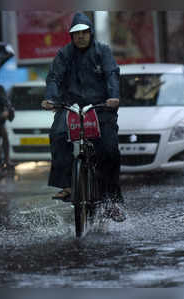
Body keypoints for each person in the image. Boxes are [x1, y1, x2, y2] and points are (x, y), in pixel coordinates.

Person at [41, 12, 126, 222]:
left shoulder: (103, 52)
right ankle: (67, 184)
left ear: (91, 33)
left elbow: (111, 75)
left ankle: (111, 200)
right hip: (70, 106)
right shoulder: (64, 54)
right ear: (71, 36)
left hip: (100, 108)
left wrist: (113, 97)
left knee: (109, 150)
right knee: (58, 135)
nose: (80, 37)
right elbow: (54, 77)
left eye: (84, 33)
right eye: (76, 33)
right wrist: (50, 98)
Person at [0, 85, 15, 170]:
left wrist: (8, 111)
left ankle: (6, 160)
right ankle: (6, 160)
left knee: (5, 137)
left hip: (0, 123)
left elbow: (9, 113)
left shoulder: (2, 94)